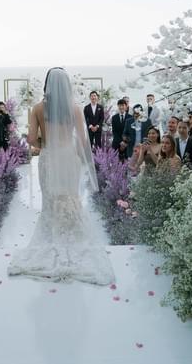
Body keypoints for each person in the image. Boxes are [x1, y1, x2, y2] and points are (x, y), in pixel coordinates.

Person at [8, 68, 114, 285]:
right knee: (70, 198)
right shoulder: (75, 108)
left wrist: (45, 143)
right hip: (69, 158)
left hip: (49, 158)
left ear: (47, 84)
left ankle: (52, 240)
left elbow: (31, 139)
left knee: (50, 201)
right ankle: (73, 239)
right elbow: (83, 141)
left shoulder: (38, 108)